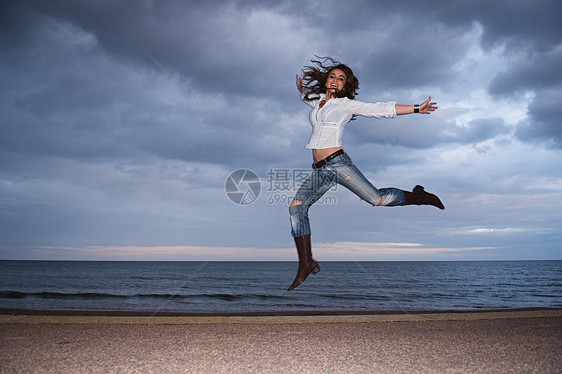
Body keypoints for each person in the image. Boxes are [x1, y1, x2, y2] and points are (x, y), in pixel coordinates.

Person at [288, 57, 444, 291]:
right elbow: (306, 96)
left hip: (338, 164)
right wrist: (301, 88)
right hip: (321, 171)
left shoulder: (345, 104)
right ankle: (306, 263)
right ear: (326, 80)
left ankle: (420, 197)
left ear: (345, 85)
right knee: (296, 207)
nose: (335, 81)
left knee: (377, 199)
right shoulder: (318, 101)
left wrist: (415, 108)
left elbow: (378, 109)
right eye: (332, 76)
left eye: (341, 79)